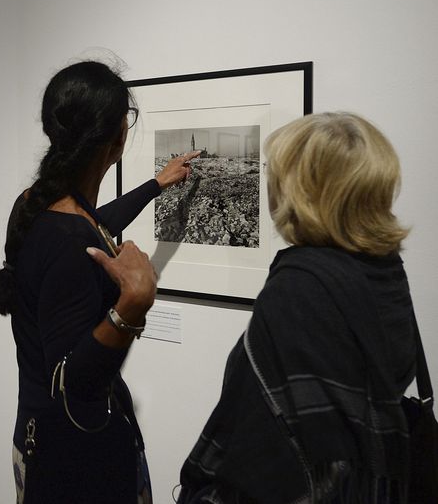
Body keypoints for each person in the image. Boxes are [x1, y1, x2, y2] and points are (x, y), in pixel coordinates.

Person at [0, 61, 200, 504]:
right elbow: (74, 384)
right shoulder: (68, 239)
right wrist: (133, 305)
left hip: (39, 440)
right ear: (118, 136)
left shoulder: (35, 206)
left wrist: (157, 183)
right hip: (77, 465)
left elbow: (95, 224)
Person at [177, 112, 418, 504]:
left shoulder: (299, 287)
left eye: (278, 174)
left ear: (303, 190)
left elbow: (255, 437)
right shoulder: (386, 269)